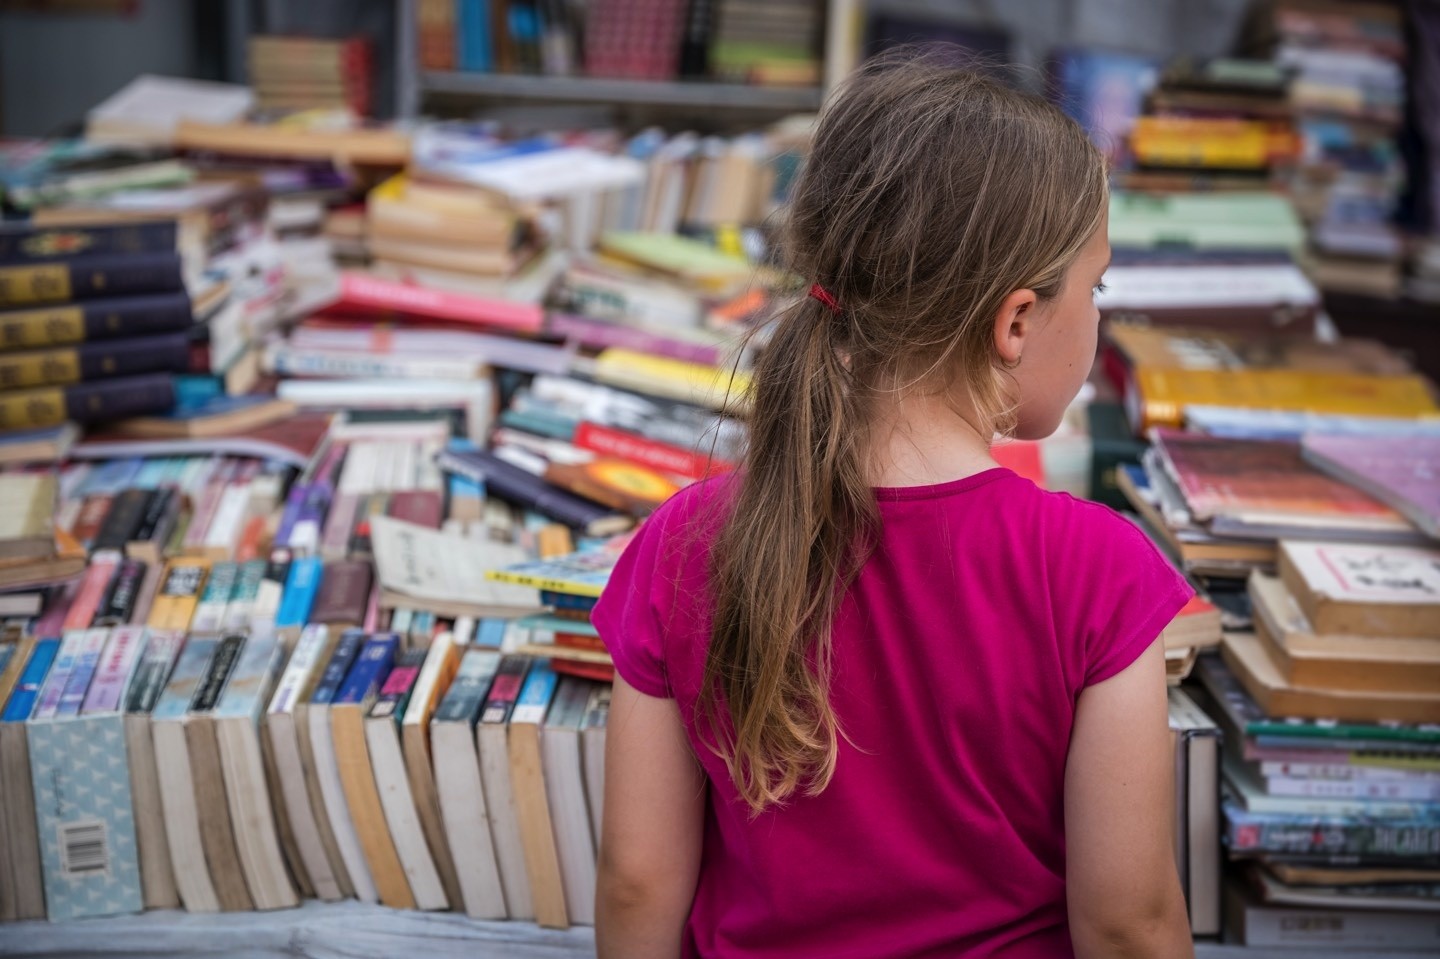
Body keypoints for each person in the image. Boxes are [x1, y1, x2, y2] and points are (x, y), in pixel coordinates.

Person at [592, 53, 1195, 959]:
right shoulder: (1094, 566)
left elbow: (639, 882)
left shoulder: (683, 542)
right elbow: (1127, 921)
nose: (1099, 311)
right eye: (1096, 287)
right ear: (1017, 321)